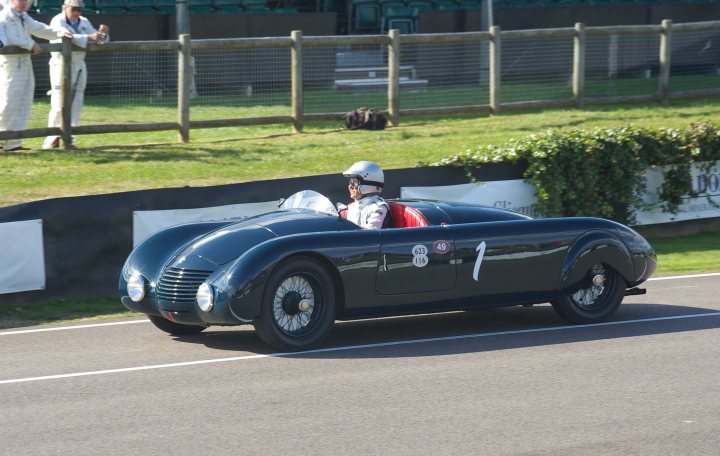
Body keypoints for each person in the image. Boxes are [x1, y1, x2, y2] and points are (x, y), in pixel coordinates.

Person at [0, 0, 72, 152]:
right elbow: (8, 38)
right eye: (21, 0)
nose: (24, 3)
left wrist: (60, 32)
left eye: (27, 0)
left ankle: (14, 143)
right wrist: (29, 44)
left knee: (24, 102)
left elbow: (40, 28)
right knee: (8, 104)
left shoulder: (24, 17)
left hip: (25, 64)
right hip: (10, 66)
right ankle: (2, 141)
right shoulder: (4, 17)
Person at [43, 0, 108, 149]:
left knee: (77, 102)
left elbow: (98, 39)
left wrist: (103, 34)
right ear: (64, 8)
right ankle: (51, 140)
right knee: (59, 103)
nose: (77, 12)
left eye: (79, 9)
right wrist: (89, 37)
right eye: (74, 9)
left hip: (79, 65)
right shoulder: (57, 20)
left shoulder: (84, 21)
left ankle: (69, 139)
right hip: (60, 65)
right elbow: (67, 38)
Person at [343, 160, 389, 229]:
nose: (350, 186)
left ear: (367, 184)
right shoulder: (350, 208)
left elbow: (370, 236)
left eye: (354, 182)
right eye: (350, 182)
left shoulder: (378, 208)